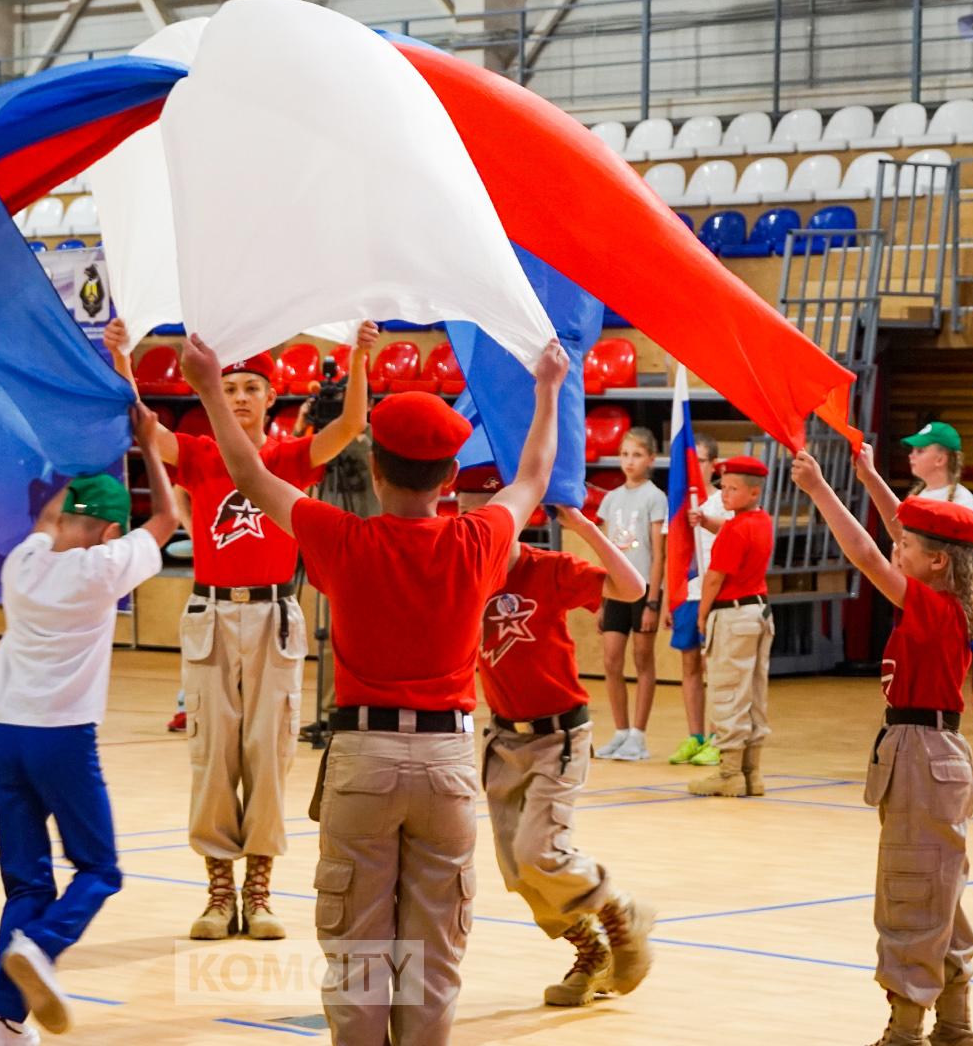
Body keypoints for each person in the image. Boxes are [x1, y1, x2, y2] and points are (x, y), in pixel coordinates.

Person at [185, 328, 571, 1043]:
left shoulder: (342, 539)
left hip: (361, 759)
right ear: (451, 478)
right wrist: (549, 387)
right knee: (433, 960)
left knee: (358, 957)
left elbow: (248, 475)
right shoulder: (479, 540)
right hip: (449, 766)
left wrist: (210, 385)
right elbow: (534, 476)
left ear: (376, 470)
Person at [106, 318, 377, 941]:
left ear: (271, 398)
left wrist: (359, 360)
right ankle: (217, 889)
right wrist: (122, 357)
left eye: (252, 388)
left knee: (269, 752)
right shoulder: (201, 456)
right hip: (211, 616)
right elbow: (143, 424)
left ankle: (260, 889)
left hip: (275, 616)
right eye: (230, 389)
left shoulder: (286, 457)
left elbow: (348, 429)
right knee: (212, 753)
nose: (239, 398)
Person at [791, 449, 973, 1046]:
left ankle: (905, 1030)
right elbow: (903, 533)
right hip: (930, 751)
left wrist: (820, 489)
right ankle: (954, 1024)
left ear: (938, 562)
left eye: (910, 550)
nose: (899, 549)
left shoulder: (933, 608)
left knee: (912, 892)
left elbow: (867, 553)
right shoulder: (950, 600)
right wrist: (869, 477)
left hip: (922, 754)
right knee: (939, 891)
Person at [0, 407, 179, 1045]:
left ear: (63, 520)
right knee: (100, 868)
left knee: (27, 879)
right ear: (112, 529)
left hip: (5, 732)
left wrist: (79, 456)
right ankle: (45, 946)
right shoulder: (103, 568)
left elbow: (43, 521)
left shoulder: (23, 564)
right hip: (62, 734)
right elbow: (168, 521)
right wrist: (144, 445)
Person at [456, 465, 656, 1008]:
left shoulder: (548, 570)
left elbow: (631, 588)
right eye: (465, 515)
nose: (477, 530)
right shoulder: (461, 575)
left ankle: (617, 909)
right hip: (502, 739)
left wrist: (584, 526)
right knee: (519, 873)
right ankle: (590, 951)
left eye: (489, 517)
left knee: (540, 852)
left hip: (557, 736)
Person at [687, 455, 775, 798]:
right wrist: (709, 522)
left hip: (731, 614)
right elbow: (734, 531)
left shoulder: (736, 530)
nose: (724, 493)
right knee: (753, 692)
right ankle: (752, 773)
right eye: (723, 487)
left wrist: (702, 615)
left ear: (753, 492)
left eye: (733, 489)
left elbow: (713, 579)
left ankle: (728, 773)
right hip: (759, 612)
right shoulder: (761, 521)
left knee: (727, 691)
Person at [593, 427, 666, 761]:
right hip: (616, 591)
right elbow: (607, 551)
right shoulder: (611, 499)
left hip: (644, 589)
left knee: (642, 658)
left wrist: (653, 600)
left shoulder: (654, 497)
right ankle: (621, 731)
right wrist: (601, 599)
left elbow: (658, 553)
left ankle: (639, 734)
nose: (629, 461)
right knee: (611, 659)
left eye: (636, 455)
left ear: (650, 459)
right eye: (624, 454)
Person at [668, 431, 725, 766]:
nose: (694, 467)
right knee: (689, 664)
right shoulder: (678, 502)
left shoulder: (722, 501)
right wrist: (666, 601)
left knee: (713, 666)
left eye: (700, 461)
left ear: (712, 466)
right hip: (686, 594)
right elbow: (671, 552)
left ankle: (719, 738)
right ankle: (696, 735)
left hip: (715, 593)